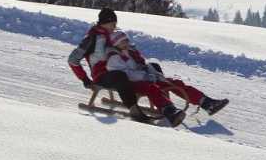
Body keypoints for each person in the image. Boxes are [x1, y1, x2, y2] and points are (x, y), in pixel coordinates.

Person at [67, 8, 228, 126]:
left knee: (158, 72)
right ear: (105, 22)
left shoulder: (117, 37)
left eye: (115, 23)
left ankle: (206, 102)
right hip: (106, 75)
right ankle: (138, 109)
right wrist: (86, 80)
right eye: (112, 23)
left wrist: (143, 65)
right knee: (124, 78)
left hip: (127, 72)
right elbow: (73, 60)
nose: (114, 26)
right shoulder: (93, 38)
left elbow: (134, 57)